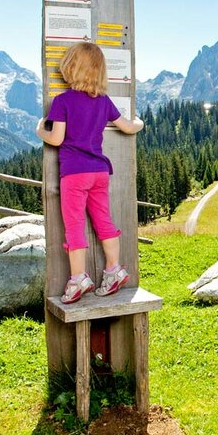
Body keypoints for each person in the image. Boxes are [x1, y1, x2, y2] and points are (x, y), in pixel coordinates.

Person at [36, 42, 144, 302]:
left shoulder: (62, 102)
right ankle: (113, 269)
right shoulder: (104, 102)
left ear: (71, 68)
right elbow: (128, 127)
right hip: (99, 172)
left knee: (74, 226)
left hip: (74, 174)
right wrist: (139, 122)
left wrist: (41, 130)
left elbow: (57, 138)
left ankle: (78, 278)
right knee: (104, 221)